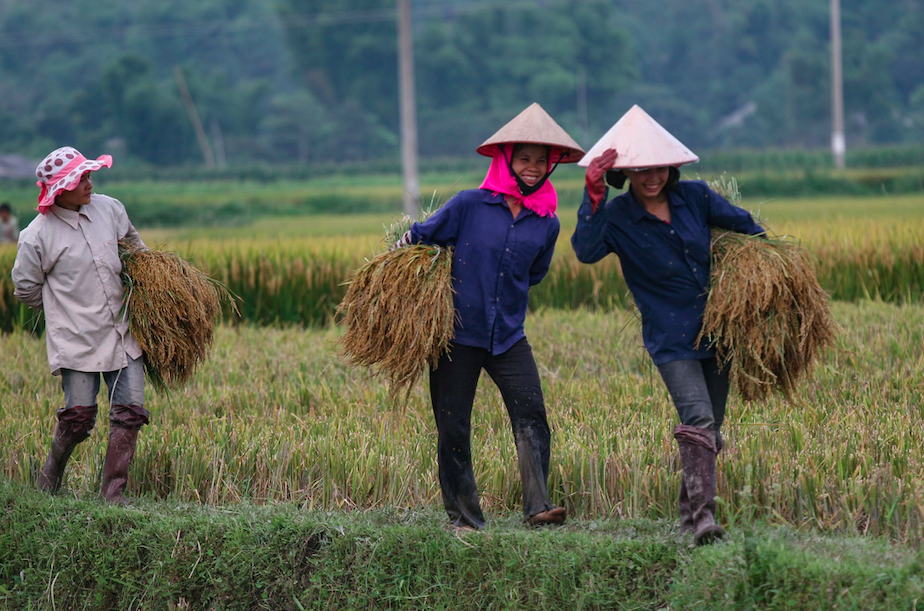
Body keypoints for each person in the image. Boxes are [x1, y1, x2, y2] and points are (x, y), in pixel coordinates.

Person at [571, 105, 765, 545]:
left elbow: (746, 227)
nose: (651, 177)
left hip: (718, 330)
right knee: (697, 417)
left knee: (709, 428)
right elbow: (585, 250)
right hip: (670, 337)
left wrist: (770, 265)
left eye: (657, 168)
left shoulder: (695, 198)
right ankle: (703, 520)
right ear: (626, 174)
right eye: (640, 170)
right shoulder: (617, 218)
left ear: (669, 167)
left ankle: (688, 518)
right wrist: (593, 197)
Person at [395, 103, 584, 530]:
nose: (533, 168)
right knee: (453, 423)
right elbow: (423, 235)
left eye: (541, 161)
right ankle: (464, 516)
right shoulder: (469, 206)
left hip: (509, 337)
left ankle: (538, 507)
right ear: (507, 161)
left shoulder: (546, 223)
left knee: (531, 412)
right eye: (524, 159)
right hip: (457, 335)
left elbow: (534, 274)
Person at [11, 146, 149, 505]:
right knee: (78, 418)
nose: (89, 183)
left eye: (89, 176)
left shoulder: (109, 209)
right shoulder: (36, 236)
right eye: (81, 179)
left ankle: (113, 495)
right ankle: (50, 477)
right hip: (76, 341)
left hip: (123, 332)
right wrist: (61, 312)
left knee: (130, 413)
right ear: (61, 189)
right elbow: (25, 288)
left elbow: (136, 250)